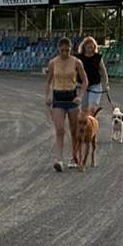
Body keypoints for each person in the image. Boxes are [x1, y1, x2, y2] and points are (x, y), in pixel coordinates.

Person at [44, 36, 87, 172]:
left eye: (67, 51)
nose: (64, 53)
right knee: (60, 130)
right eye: (62, 50)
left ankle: (74, 157)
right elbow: (48, 81)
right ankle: (58, 159)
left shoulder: (77, 62)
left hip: (72, 97)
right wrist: (47, 96)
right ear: (58, 49)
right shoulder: (53, 63)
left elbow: (85, 81)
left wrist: (80, 96)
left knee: (74, 131)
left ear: (71, 50)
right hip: (58, 97)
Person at [77, 36, 109, 117]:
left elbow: (103, 71)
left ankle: (91, 126)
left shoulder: (97, 57)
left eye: (92, 47)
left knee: (92, 108)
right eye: (88, 47)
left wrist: (106, 84)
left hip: (95, 85)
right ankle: (85, 126)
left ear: (94, 47)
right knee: (84, 108)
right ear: (84, 47)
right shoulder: (79, 57)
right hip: (82, 85)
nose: (90, 49)